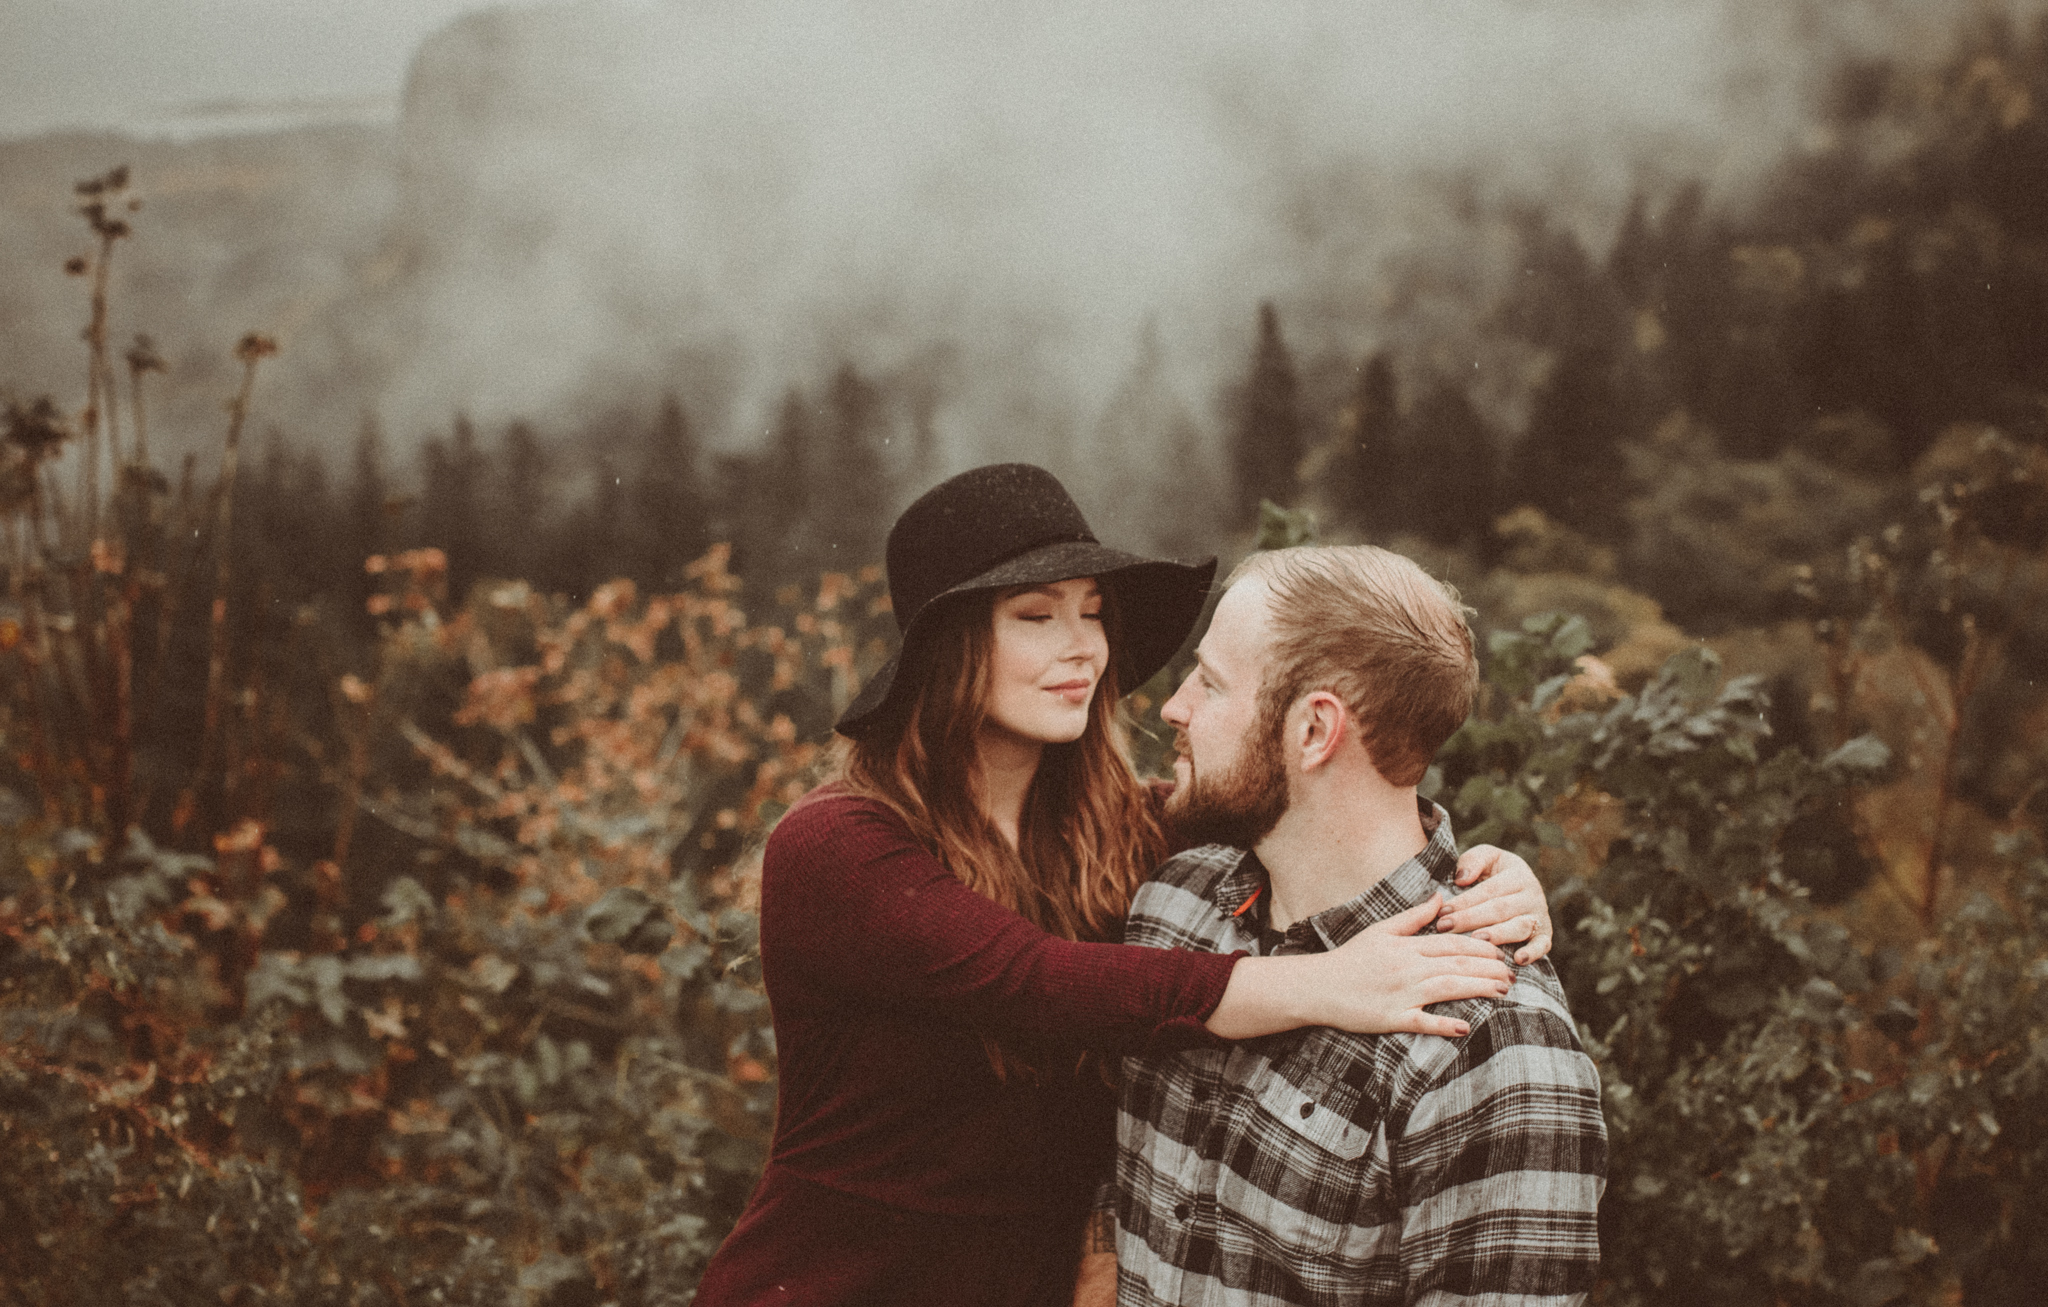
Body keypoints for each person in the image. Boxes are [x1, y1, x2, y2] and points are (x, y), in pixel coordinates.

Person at [693, 465, 1557, 1306]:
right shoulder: (837, 843)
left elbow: (1317, 797)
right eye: (1037, 615)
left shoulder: (1119, 828)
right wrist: (1324, 983)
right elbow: (1037, 982)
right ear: (948, 648)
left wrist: (1482, 877)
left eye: (1095, 613)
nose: (1086, 647)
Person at [1098, 545, 1607, 1307]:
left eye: (1210, 681)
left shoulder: (1489, 1048)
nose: (1175, 706)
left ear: (1313, 731)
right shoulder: (1175, 903)